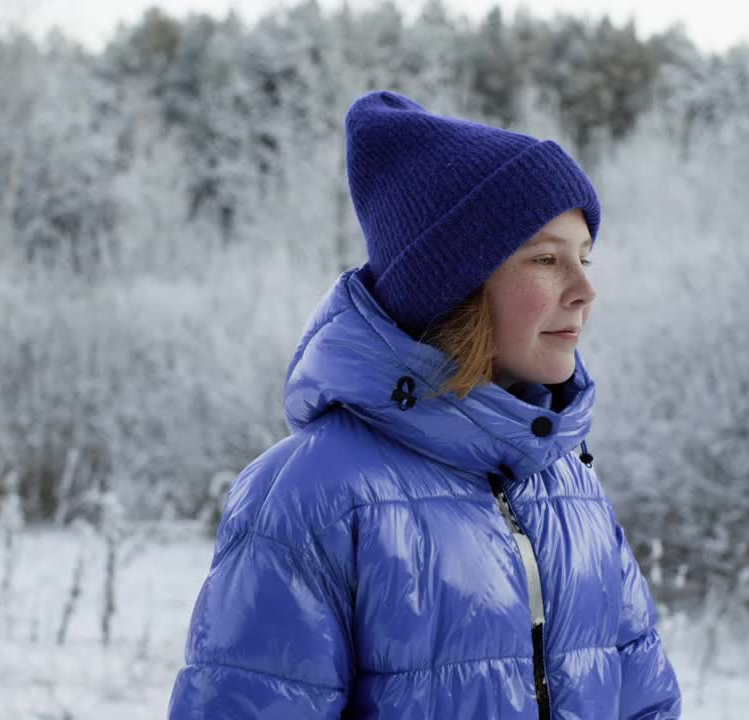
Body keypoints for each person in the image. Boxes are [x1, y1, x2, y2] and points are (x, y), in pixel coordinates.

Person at [167, 90, 682, 719]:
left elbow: (645, 704)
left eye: (584, 258)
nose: (584, 290)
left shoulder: (569, 484)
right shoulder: (308, 499)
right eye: (547, 259)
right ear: (454, 287)